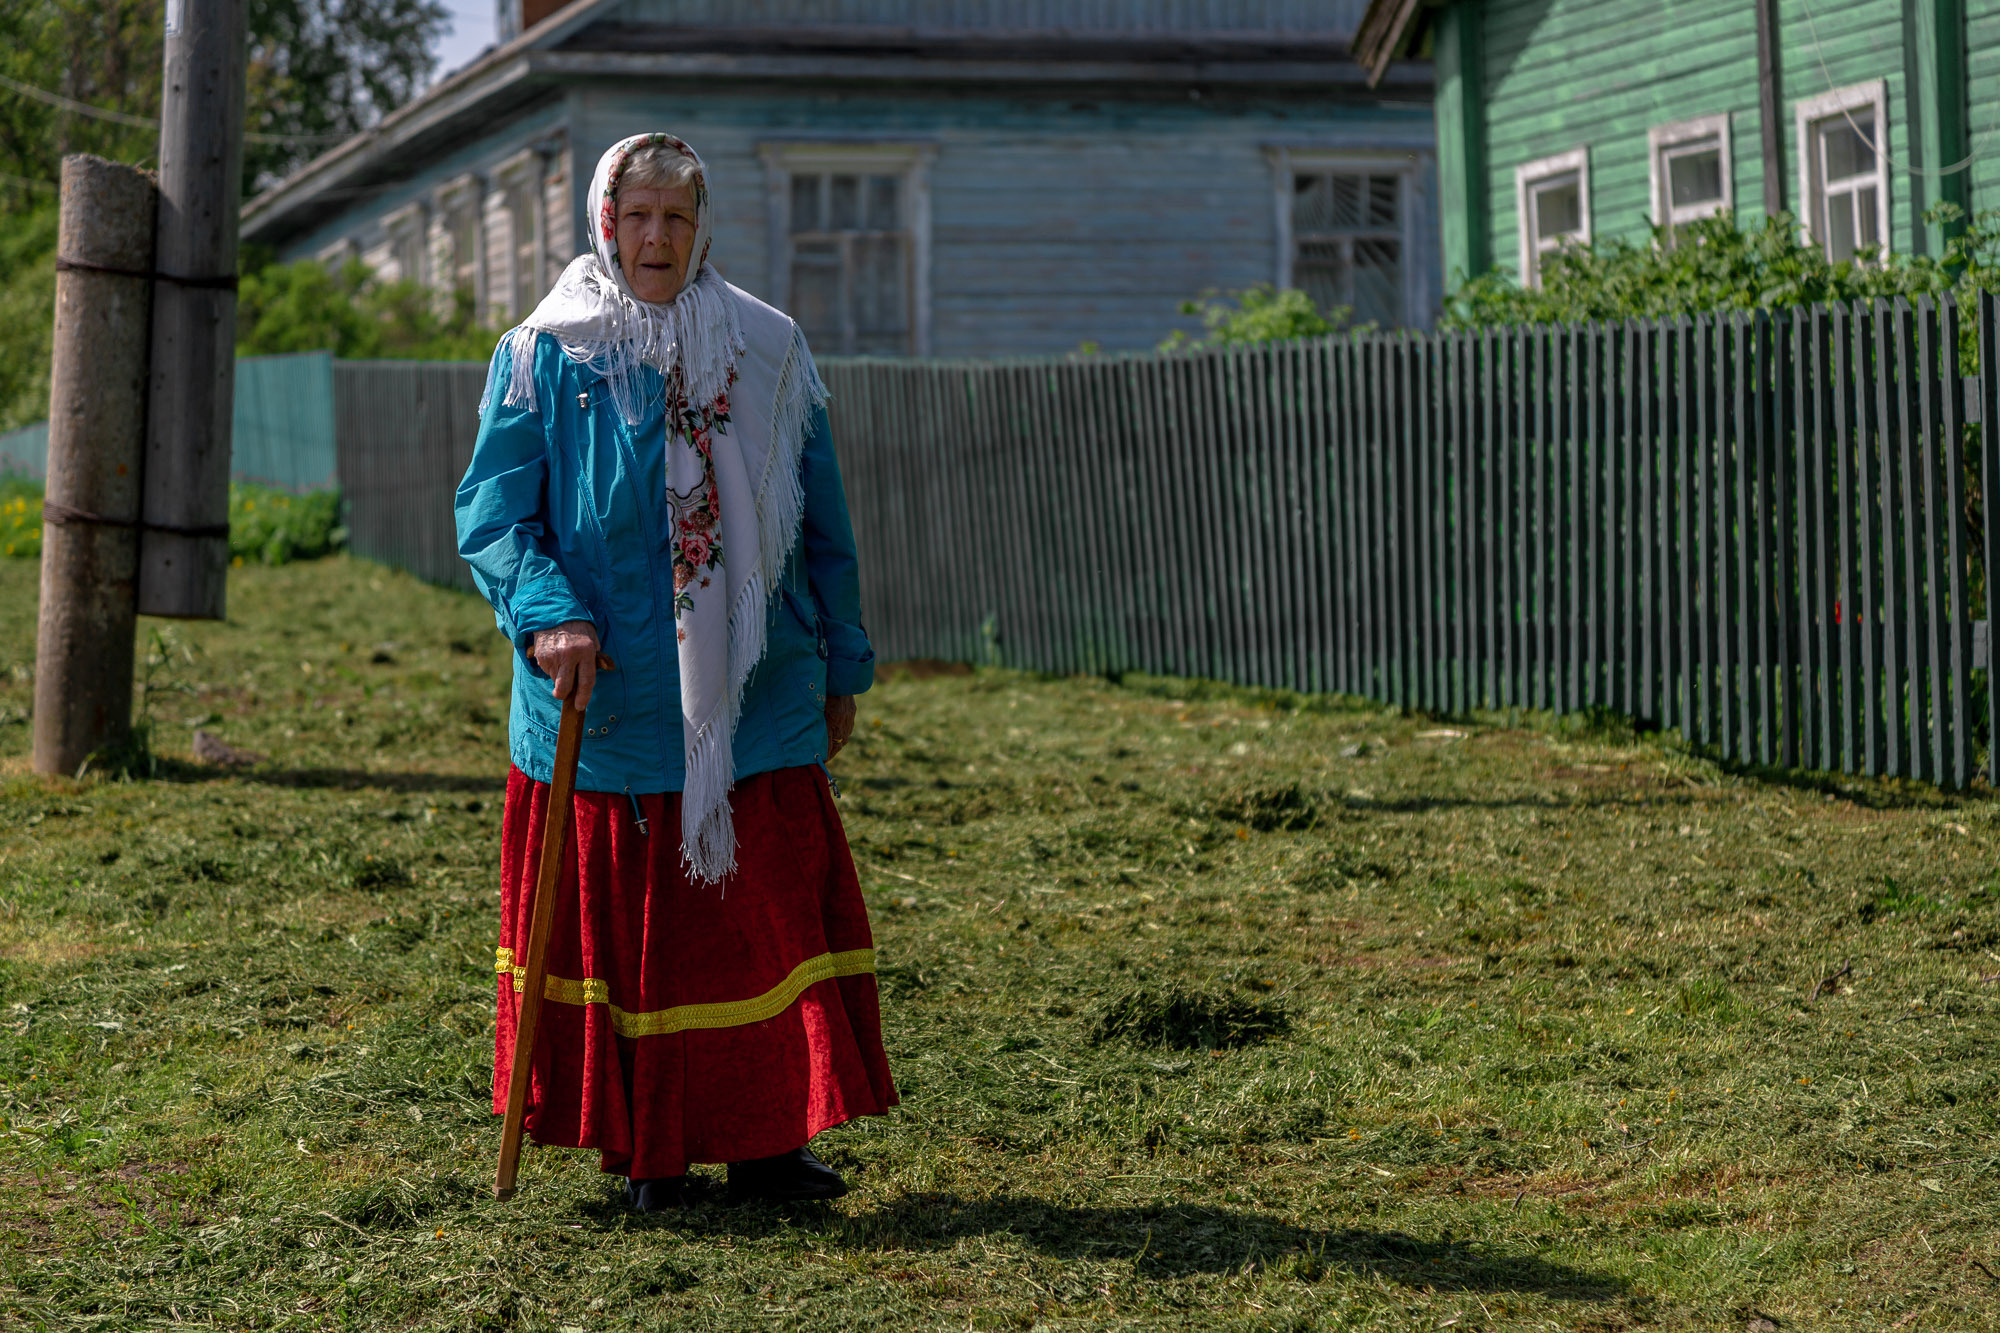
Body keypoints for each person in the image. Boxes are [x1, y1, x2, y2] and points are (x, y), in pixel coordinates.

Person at [455, 132, 894, 1210]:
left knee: (760, 927)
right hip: (606, 704)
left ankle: (766, 1146)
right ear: (603, 223)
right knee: (640, 945)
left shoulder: (766, 346)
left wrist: (841, 658)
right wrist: (548, 615)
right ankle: (649, 1154)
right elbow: (495, 517)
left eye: (677, 217)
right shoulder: (543, 354)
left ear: (703, 230)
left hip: (755, 696)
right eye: (636, 215)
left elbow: (821, 522)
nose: (656, 237)